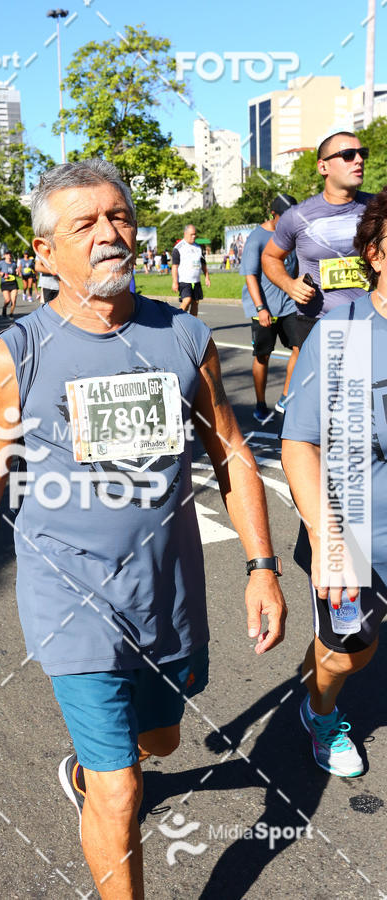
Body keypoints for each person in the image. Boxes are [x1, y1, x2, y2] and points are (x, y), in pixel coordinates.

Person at [0, 159, 287, 900]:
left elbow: (228, 451)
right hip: (70, 600)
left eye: (118, 217)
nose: (109, 234)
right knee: (121, 790)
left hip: (169, 596)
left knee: (160, 742)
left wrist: (261, 566)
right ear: (43, 254)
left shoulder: (185, 336)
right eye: (84, 224)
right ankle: (104, 788)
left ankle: (96, 766)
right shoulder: (15, 357)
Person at [281, 186, 387, 778]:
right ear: (374, 252)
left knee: (341, 649)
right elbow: (300, 441)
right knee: (350, 657)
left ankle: (317, 662)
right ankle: (320, 713)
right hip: (355, 532)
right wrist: (328, 541)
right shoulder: (343, 329)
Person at [262, 132, 372, 349]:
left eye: (362, 153)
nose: (359, 159)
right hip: (319, 323)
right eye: (348, 155)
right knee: (327, 384)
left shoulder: (379, 208)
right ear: (323, 167)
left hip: (372, 320)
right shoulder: (297, 216)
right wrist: (289, 284)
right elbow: (269, 256)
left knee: (367, 383)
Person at [240, 195, 300, 422]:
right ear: (273, 215)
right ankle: (260, 403)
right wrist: (260, 308)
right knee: (263, 355)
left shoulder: (293, 234)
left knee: (300, 347)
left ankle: (285, 397)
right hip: (265, 308)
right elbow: (250, 276)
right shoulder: (257, 238)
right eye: (285, 218)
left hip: (290, 304)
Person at [172, 224, 211, 316]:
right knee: (187, 300)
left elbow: (203, 263)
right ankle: (178, 319)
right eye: (191, 234)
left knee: (195, 302)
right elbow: (174, 266)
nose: (194, 236)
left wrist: (207, 277)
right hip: (184, 280)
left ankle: (193, 323)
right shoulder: (178, 248)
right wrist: (174, 282)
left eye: (195, 234)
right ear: (185, 234)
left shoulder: (198, 247)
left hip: (196, 280)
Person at [0, 250, 18, 318]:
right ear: (5, 255)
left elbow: (16, 273)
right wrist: (1, 274)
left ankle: (11, 314)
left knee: (13, 300)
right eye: (7, 254)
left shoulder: (14, 264)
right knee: (7, 300)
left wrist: (17, 272)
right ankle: (4, 308)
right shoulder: (1, 263)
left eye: (9, 254)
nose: (9, 255)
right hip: (5, 283)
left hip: (13, 283)